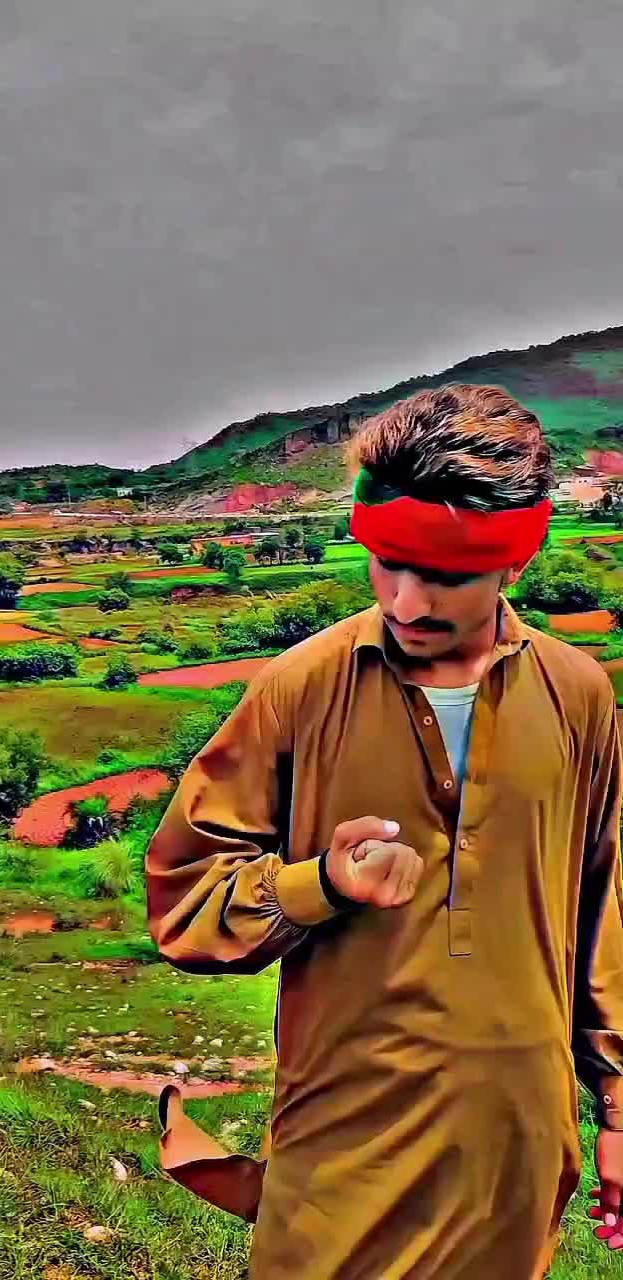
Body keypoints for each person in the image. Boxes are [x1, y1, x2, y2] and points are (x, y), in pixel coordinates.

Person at [147, 384, 623, 1279]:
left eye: (444, 576)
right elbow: (184, 903)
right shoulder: (299, 689)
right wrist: (319, 883)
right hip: (341, 1149)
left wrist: (618, 1111)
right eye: (387, 564)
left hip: (516, 1151)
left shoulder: (579, 697)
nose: (406, 603)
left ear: (514, 562)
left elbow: (600, 911)